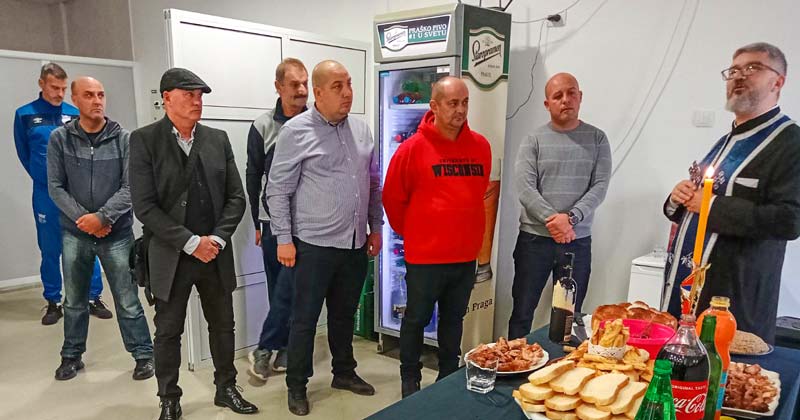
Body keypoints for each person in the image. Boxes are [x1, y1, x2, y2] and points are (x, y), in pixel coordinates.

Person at [130, 68, 257, 420]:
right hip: (171, 255)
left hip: (214, 253)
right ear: (167, 98)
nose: (197, 101)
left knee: (223, 325)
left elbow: (236, 197)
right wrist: (189, 242)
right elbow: (145, 207)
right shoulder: (144, 141)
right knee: (168, 331)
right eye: (189, 94)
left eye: (200, 95)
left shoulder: (217, 139)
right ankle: (169, 398)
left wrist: (215, 239)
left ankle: (226, 387)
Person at [663, 42, 800, 344]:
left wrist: (712, 206)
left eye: (753, 68)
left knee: (723, 370)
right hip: (687, 287)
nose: (739, 76)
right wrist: (677, 199)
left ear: (778, 82)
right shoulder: (726, 141)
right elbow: (699, 199)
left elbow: (790, 220)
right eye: (734, 70)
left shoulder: (790, 142)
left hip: (733, 296)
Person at [267, 60, 382, 416]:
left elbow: (372, 183)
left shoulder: (361, 130)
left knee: (344, 315)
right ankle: (297, 385)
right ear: (317, 93)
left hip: (354, 243)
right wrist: (283, 239)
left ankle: (343, 373)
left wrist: (375, 227)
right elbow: (277, 189)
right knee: (304, 319)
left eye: (349, 84)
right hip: (312, 246)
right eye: (337, 86)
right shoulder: (295, 132)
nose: (347, 93)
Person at [383, 76, 491, 398]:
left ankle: (447, 375)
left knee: (454, 319)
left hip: (465, 255)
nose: (460, 110)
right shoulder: (412, 149)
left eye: (465, 102)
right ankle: (409, 379)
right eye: (452, 103)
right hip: (425, 257)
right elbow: (392, 198)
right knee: (416, 319)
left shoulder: (481, 146)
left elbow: (479, 192)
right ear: (434, 106)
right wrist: (416, 233)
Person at [47, 76, 154, 381]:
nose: (97, 101)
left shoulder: (125, 139)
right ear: (75, 100)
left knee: (127, 299)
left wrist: (104, 218)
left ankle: (143, 355)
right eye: (89, 95)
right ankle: (71, 356)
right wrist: (86, 220)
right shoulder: (60, 139)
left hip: (116, 234)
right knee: (74, 300)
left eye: (101, 94)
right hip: (75, 233)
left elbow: (132, 187)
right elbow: (55, 187)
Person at [507, 73, 612, 340]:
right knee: (522, 313)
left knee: (568, 318)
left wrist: (571, 219)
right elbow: (525, 188)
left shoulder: (597, 139)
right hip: (534, 241)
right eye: (557, 96)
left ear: (580, 97)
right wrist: (555, 221)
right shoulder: (534, 140)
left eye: (571, 93)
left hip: (577, 242)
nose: (566, 100)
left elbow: (599, 187)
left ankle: (559, 364)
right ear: (547, 104)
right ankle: (513, 361)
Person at [14, 63, 110, 325]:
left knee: (88, 243)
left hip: (77, 193)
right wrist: (44, 178)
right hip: (45, 193)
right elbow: (24, 153)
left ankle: (93, 297)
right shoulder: (25, 115)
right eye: (54, 87)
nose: (59, 93)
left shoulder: (74, 113)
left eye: (63, 89)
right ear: (41, 84)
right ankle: (53, 301)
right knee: (50, 248)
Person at [246, 58, 308, 381]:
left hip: (308, 224)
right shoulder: (263, 126)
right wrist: (257, 223)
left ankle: (269, 346)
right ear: (278, 87)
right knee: (278, 288)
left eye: (305, 83)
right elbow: (253, 175)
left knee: (294, 288)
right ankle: (281, 345)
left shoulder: (317, 122)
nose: (302, 90)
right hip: (272, 222)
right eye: (294, 84)